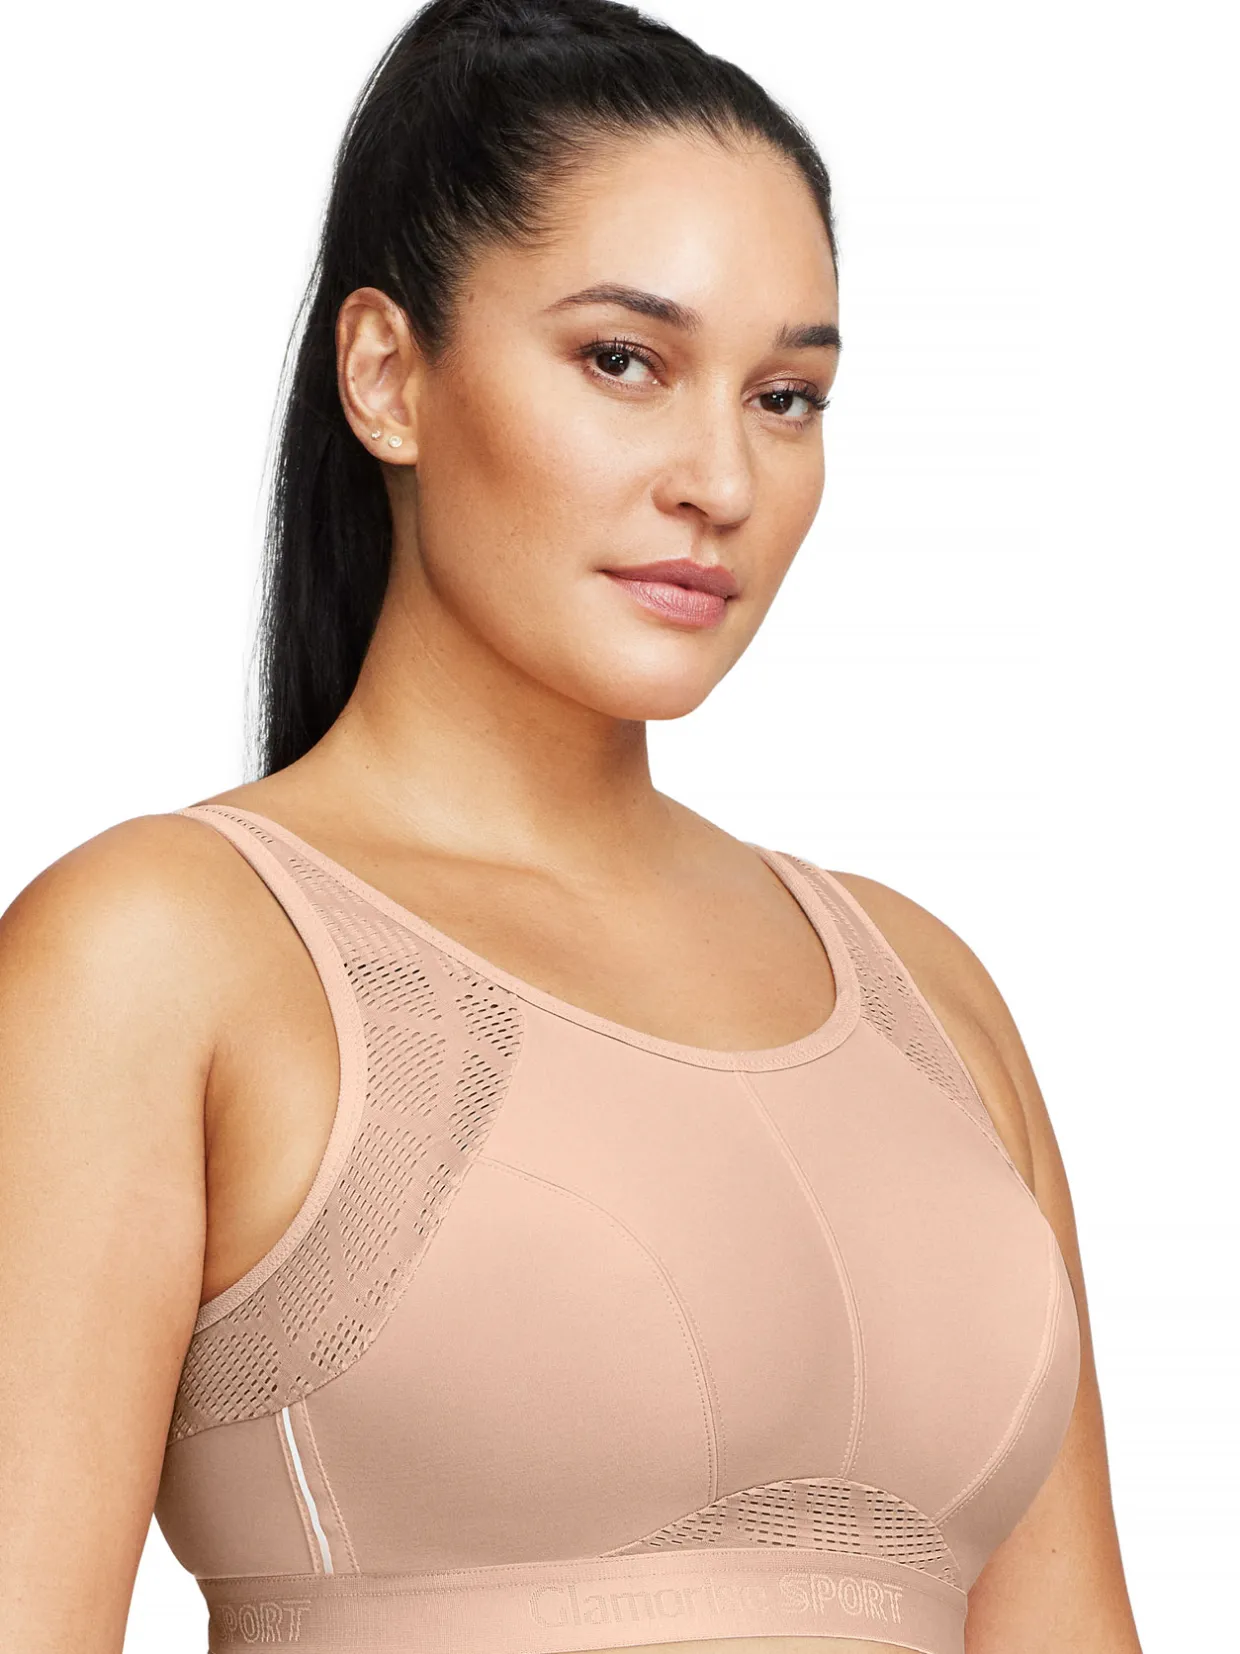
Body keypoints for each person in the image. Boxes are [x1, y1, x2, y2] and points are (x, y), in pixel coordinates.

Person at [0, 1, 1143, 1651]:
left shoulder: (932, 999)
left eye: (786, 396)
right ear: (386, 375)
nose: (720, 481)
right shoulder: (163, 954)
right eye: (625, 361)